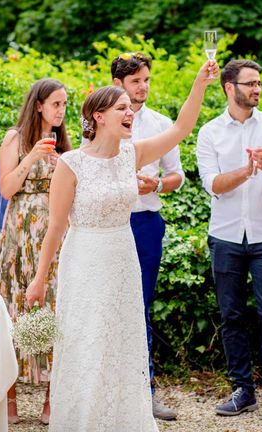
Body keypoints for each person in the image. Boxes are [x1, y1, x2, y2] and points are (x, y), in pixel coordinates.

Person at [26, 60, 216, 431]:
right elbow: (56, 226)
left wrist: (200, 83)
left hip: (123, 257)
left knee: (121, 340)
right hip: (84, 260)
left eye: (130, 109)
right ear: (98, 117)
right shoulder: (71, 164)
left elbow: (182, 128)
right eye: (122, 109)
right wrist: (39, 278)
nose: (130, 112)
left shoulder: (134, 154)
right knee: (87, 342)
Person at [196, 59, 262, 425]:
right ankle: (242, 390)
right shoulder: (209, 132)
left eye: (259, 84)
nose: (257, 89)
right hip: (225, 235)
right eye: (250, 83)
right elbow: (213, 184)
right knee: (231, 315)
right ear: (229, 87)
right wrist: (245, 170)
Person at [0, 79, 72, 424]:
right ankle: (9, 397)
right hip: (19, 231)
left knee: (55, 308)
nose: (60, 110)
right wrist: (32, 158)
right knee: (14, 308)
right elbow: (6, 188)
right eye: (55, 103)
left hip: (54, 232)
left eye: (64, 104)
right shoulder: (15, 139)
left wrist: (61, 169)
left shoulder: (66, 145)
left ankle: (51, 398)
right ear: (38, 105)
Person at [111, 52, 184, 420]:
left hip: (145, 223)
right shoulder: (97, 121)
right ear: (118, 84)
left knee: (141, 306)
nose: (143, 87)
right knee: (107, 306)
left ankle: (146, 391)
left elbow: (178, 176)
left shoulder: (161, 123)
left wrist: (158, 184)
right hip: (107, 225)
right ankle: (107, 392)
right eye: (136, 80)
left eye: (146, 80)